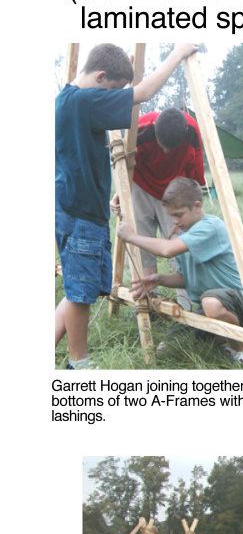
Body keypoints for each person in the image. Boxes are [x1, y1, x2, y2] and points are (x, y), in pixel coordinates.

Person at [55, 42, 199, 369]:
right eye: (114, 90)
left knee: (80, 286)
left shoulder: (70, 99)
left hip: (77, 211)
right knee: (80, 296)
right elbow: (144, 93)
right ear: (100, 76)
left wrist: (127, 73)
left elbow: (123, 90)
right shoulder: (84, 101)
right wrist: (178, 53)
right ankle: (79, 365)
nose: (115, 97)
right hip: (80, 216)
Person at [117, 177, 243, 365]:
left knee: (212, 305)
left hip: (234, 302)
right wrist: (160, 279)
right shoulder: (183, 235)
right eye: (171, 216)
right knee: (167, 348)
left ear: (197, 206)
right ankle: (222, 337)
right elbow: (185, 278)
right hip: (206, 307)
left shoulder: (210, 227)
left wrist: (131, 236)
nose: (174, 221)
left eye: (179, 215)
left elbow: (167, 250)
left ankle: (242, 351)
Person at [111, 107, 205, 311]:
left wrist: (192, 211)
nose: (167, 152)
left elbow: (195, 175)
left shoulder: (192, 133)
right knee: (142, 243)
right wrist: (121, 193)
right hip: (141, 186)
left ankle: (187, 306)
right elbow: (123, 163)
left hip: (174, 192)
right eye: (163, 146)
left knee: (181, 246)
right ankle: (148, 301)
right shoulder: (140, 129)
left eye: (172, 148)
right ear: (155, 130)